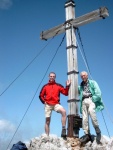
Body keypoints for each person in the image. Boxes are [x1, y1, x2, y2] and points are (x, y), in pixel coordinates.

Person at [39, 72, 71, 137]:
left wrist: (67, 86)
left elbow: (65, 93)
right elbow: (40, 95)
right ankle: (47, 136)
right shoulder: (45, 86)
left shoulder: (58, 85)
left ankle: (63, 129)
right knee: (47, 121)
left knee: (64, 112)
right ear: (49, 77)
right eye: (51, 76)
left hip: (56, 104)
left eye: (53, 76)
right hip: (47, 104)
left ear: (55, 77)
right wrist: (44, 101)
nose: (52, 77)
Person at [78, 71, 104, 143]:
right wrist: (69, 85)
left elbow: (98, 93)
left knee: (91, 111)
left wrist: (93, 99)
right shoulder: (80, 86)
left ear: (87, 75)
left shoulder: (93, 82)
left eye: (84, 75)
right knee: (84, 118)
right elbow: (75, 91)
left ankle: (97, 129)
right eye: (82, 76)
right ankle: (87, 134)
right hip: (83, 101)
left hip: (90, 99)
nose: (83, 77)